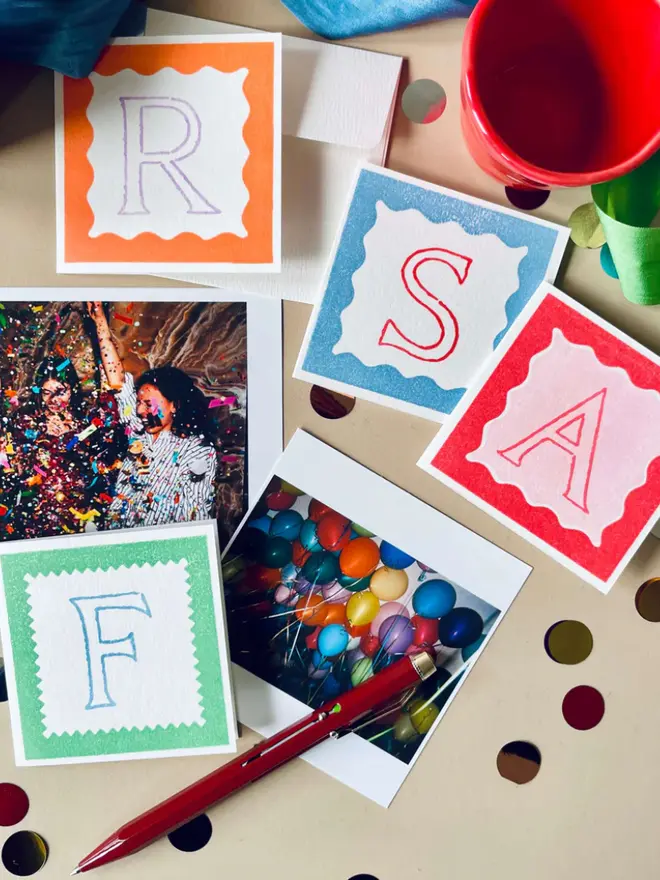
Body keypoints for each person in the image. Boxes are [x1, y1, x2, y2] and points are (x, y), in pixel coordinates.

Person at [86, 302, 218, 528]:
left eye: (148, 403)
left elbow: (197, 518)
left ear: (174, 405)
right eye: (138, 402)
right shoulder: (138, 433)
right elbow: (117, 381)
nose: (139, 410)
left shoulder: (198, 452)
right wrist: (100, 320)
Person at [2, 354, 121, 539]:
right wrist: (38, 438)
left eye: (60, 391)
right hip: (35, 519)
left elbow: (102, 464)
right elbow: (17, 471)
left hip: (78, 518)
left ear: (72, 388)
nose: (53, 400)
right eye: (46, 393)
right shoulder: (25, 421)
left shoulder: (87, 422)